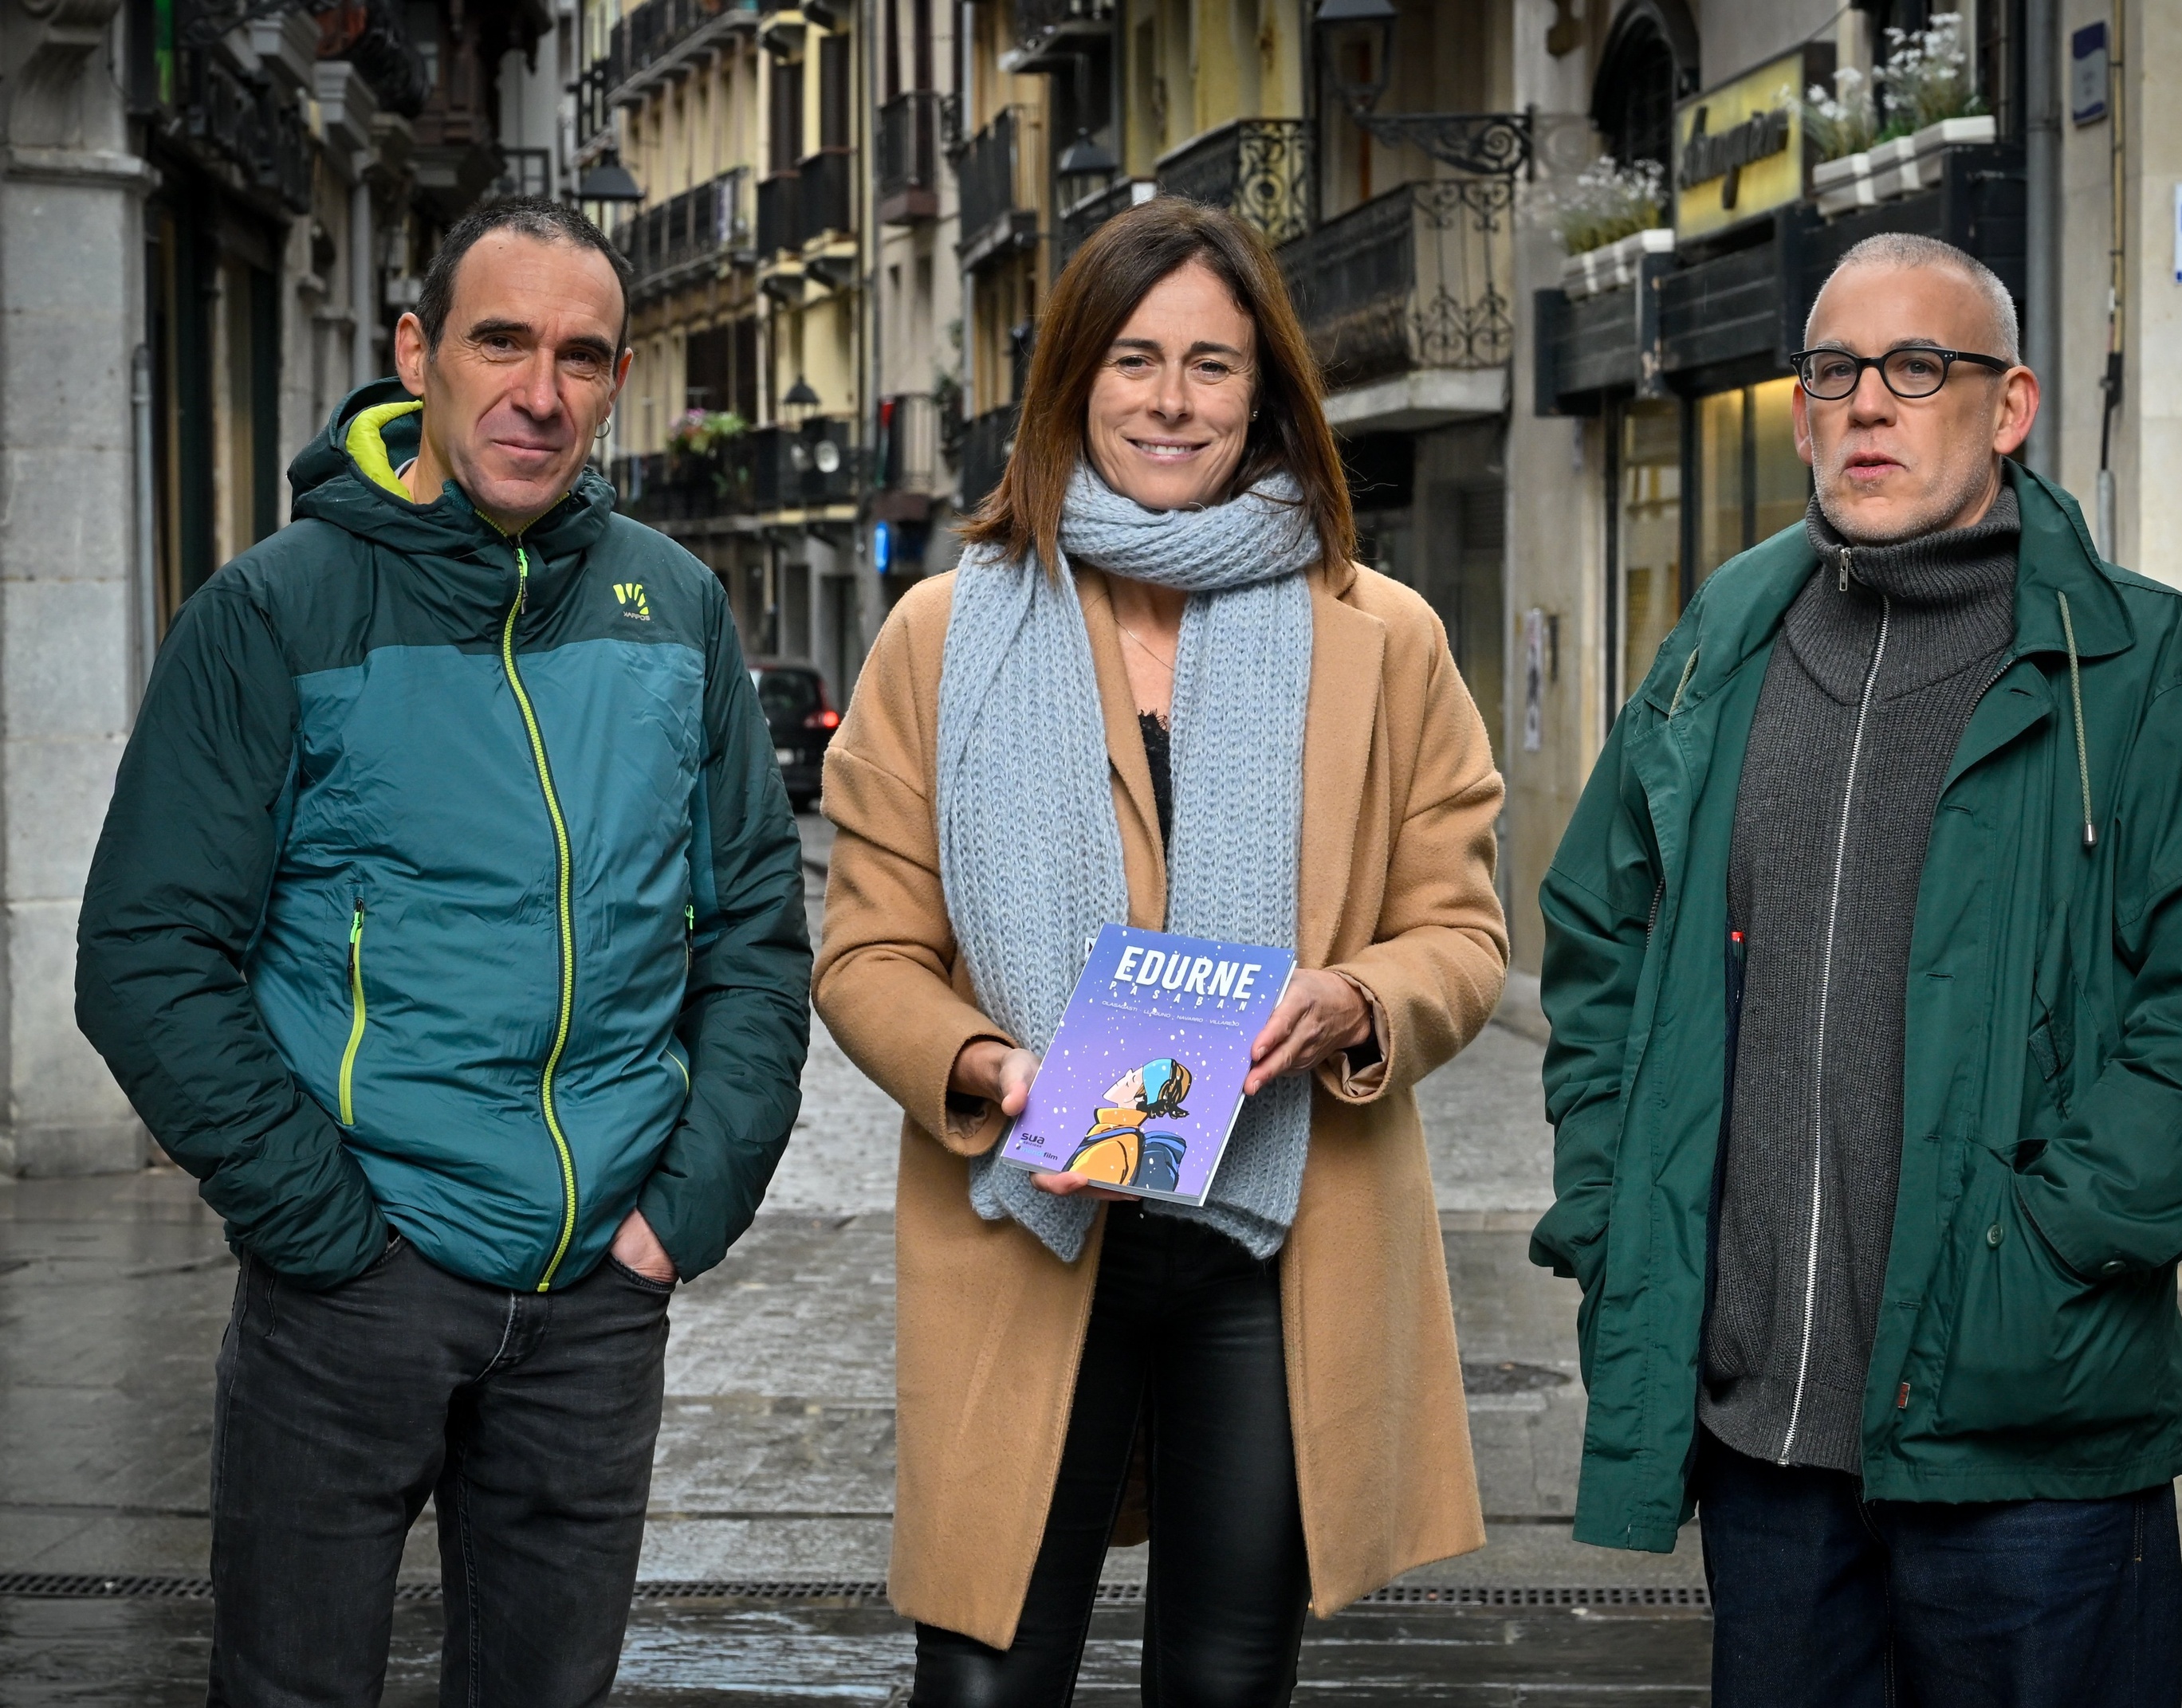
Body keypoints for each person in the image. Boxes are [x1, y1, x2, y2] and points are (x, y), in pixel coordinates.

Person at [1534, 231, 2182, 1707]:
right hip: (1763, 1437)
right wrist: (1615, 1207)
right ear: (1799, 411)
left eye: (1919, 368)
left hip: (2025, 1435)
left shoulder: (2149, 673)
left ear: (2011, 405)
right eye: (1834, 372)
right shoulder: (1724, 649)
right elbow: (1600, 939)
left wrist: (2045, 1247)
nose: (1868, 406)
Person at [75, 198, 811, 1706]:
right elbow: (146, 953)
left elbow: (756, 933)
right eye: (502, 341)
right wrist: (328, 1234)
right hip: (353, 1290)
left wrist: (685, 1208)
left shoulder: (673, 606)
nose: (541, 392)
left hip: (600, 1295)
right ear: (418, 353)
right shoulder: (276, 610)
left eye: (583, 357)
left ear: (616, 381)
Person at [812, 196, 1507, 1706]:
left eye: (1211, 362)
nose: (1172, 400)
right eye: (1135, 359)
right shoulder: (943, 633)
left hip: (1274, 1244)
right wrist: (993, 1067)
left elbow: (1460, 930)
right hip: (1024, 1225)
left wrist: (1359, 998)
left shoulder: (1379, 636)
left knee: (1225, 1680)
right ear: (1073, 381)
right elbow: (867, 955)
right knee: (986, 1677)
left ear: (1264, 391)